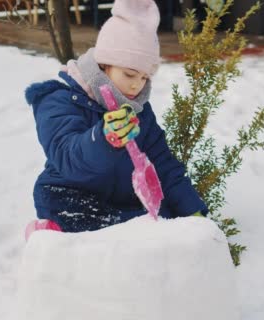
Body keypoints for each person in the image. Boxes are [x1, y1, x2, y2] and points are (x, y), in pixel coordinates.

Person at [24, 0, 207, 233]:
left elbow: (163, 164)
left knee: (164, 220)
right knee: (83, 221)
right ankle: (50, 234)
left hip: (121, 204)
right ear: (104, 64)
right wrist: (103, 139)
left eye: (144, 78)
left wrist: (192, 210)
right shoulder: (60, 100)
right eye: (130, 74)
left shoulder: (139, 111)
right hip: (71, 197)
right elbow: (67, 156)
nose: (136, 86)